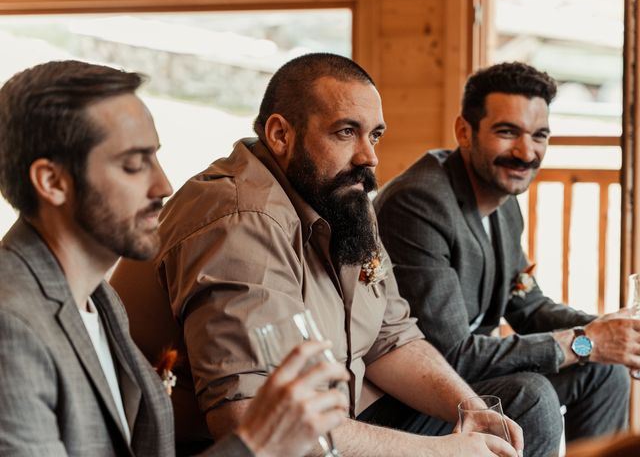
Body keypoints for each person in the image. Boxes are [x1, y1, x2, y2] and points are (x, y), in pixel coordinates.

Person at [111, 53, 524, 457]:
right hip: (226, 446)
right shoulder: (239, 222)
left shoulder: (342, 197)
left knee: (519, 405)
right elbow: (251, 420)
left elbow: (391, 337)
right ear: (280, 135)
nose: (369, 156)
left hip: (335, 416)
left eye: (374, 135)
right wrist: (444, 452)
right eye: (346, 132)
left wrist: (470, 408)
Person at [0, 60, 349, 456]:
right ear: (52, 182)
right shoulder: (11, 327)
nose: (162, 185)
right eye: (133, 164)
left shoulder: (100, 298)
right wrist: (256, 445)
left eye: (155, 157)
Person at [374, 61, 633, 456]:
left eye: (539, 136)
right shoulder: (419, 204)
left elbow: (527, 305)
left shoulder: (504, 202)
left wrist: (611, 333)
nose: (526, 152)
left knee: (604, 370)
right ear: (465, 131)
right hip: (413, 397)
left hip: (469, 380)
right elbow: (453, 355)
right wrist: (586, 342)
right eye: (507, 132)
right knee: (531, 396)